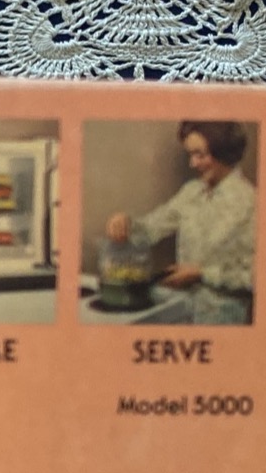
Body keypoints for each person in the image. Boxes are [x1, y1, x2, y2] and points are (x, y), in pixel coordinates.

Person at [106, 120, 255, 325]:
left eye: (200, 155)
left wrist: (201, 274)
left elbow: (257, 277)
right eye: (190, 155)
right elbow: (150, 229)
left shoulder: (251, 202)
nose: (193, 164)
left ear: (223, 152)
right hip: (180, 312)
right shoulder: (191, 192)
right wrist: (125, 224)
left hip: (223, 322)